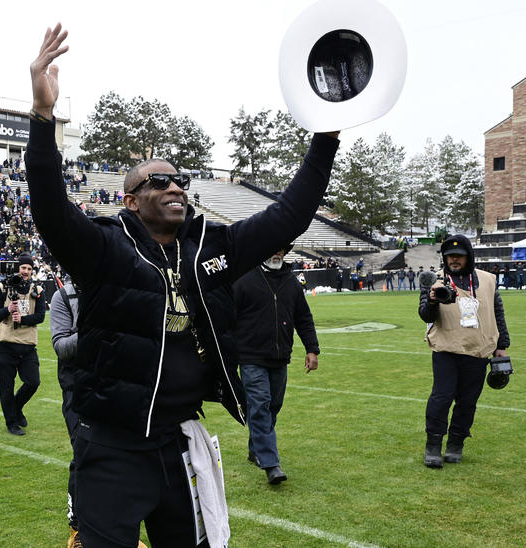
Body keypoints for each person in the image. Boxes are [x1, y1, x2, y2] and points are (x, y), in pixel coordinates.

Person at [26, 24, 339, 548]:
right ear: (129, 200)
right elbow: (50, 208)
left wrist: (326, 138)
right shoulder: (103, 248)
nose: (174, 186)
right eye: (157, 181)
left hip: (179, 442)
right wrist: (42, 118)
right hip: (112, 445)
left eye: (180, 180)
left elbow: (288, 216)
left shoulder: (213, 247)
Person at [418, 235, 510, 468]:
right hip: (446, 348)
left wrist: (502, 346)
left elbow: (497, 313)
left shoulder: (488, 280)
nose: (454, 260)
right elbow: (425, 316)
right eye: (450, 257)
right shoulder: (434, 280)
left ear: (469, 257)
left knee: (468, 401)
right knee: (441, 397)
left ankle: (456, 443)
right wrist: (431, 301)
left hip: (478, 350)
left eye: (459, 256)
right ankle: (433, 446)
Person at [234, 247, 320, 484]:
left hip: (280, 356)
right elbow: (227, 318)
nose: (277, 253)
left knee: (273, 406)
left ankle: (256, 449)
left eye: (281, 249)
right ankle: (271, 463)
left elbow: (303, 317)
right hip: (250, 357)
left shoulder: (291, 282)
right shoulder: (243, 279)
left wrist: (312, 349)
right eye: (272, 248)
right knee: (260, 405)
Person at [0, 254, 45, 436]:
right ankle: (11, 422)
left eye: (29, 268)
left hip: (28, 344)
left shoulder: (37, 290)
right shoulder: (2, 288)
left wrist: (23, 318)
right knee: (6, 385)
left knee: (33, 381)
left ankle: (16, 407)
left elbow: (41, 316)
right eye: (23, 268)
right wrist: (8, 310)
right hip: (5, 345)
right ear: (17, 268)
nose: (26, 271)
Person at [49, 279, 83, 547]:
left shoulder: (114, 286)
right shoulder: (64, 296)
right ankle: (77, 528)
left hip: (115, 386)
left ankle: (117, 529)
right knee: (83, 454)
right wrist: (94, 328)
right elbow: (60, 346)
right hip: (78, 390)